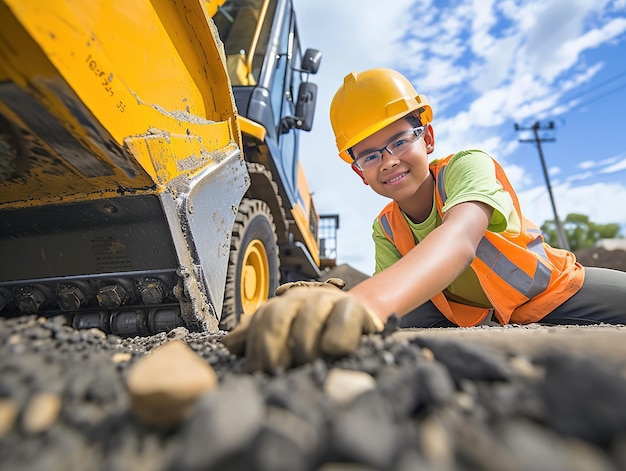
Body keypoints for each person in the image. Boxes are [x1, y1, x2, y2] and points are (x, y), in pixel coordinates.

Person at [223, 68, 626, 372]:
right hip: (467, 315)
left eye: (400, 140)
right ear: (359, 172)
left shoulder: (467, 168)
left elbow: (459, 240)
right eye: (370, 155)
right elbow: (396, 299)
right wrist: (338, 305)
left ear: (428, 139)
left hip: (552, 290)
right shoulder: (385, 228)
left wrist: (363, 303)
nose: (389, 160)